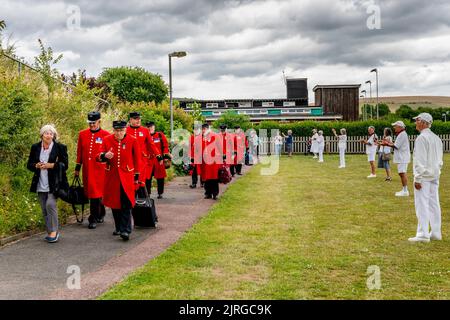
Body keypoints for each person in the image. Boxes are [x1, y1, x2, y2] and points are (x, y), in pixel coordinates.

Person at [97, 120, 141, 241]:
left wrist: (137, 177)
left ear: (125, 130)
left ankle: (126, 230)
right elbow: (98, 155)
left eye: (121, 130)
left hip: (127, 176)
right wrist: (104, 155)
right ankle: (118, 227)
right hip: (112, 177)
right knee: (115, 203)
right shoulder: (107, 139)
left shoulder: (133, 140)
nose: (119, 133)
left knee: (126, 203)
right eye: (116, 130)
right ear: (113, 130)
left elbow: (137, 159)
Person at [27, 124, 68, 243]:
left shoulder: (60, 147)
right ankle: (50, 231)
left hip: (54, 183)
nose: (49, 135)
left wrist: (52, 165)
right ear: (42, 135)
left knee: (50, 205)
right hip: (40, 182)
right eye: (46, 133)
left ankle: (54, 232)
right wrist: (36, 165)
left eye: (51, 133)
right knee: (44, 208)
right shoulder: (35, 147)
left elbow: (65, 165)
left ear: (54, 135)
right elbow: (29, 164)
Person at [409, 113, 443, 243]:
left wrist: (418, 178)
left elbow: (419, 160)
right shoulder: (436, 138)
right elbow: (440, 160)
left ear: (423, 122)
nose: (415, 123)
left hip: (424, 177)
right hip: (434, 175)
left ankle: (423, 234)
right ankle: (435, 232)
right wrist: (437, 171)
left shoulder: (422, 138)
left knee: (422, 204)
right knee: (434, 204)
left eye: (417, 120)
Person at [74, 111, 110, 229]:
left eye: (94, 123)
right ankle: (101, 212)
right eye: (90, 123)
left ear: (99, 121)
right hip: (87, 169)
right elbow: (79, 152)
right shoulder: (82, 134)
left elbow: (109, 153)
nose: (92, 125)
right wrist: (77, 168)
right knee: (92, 193)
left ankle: (92, 218)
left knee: (96, 193)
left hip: (100, 169)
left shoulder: (106, 135)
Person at [126, 112, 161, 196]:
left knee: (141, 181)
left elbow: (151, 144)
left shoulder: (144, 130)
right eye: (136, 119)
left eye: (139, 118)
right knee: (130, 182)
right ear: (130, 120)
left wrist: (158, 155)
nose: (138, 120)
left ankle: (143, 202)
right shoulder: (126, 130)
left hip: (142, 161)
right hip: (129, 161)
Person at [381, 120, 411, 196]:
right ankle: (404, 190)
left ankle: (405, 191)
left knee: (402, 173)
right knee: (401, 173)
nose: (394, 128)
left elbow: (396, 146)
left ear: (400, 127)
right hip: (402, 157)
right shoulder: (401, 134)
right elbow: (395, 144)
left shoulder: (402, 134)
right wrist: (387, 143)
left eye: (395, 126)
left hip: (403, 157)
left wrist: (386, 144)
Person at [146, 122, 171, 199]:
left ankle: (160, 193)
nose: (150, 128)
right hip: (148, 160)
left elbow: (165, 146)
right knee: (147, 178)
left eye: (151, 126)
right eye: (148, 127)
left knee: (160, 177)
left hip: (159, 160)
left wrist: (166, 156)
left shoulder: (160, 135)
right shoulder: (145, 136)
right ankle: (148, 193)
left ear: (154, 127)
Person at [201, 123, 220, 200]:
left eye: (203, 130)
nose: (202, 131)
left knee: (213, 177)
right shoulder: (203, 137)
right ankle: (208, 193)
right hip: (206, 161)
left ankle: (214, 193)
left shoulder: (215, 136)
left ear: (206, 129)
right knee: (207, 178)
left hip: (214, 161)